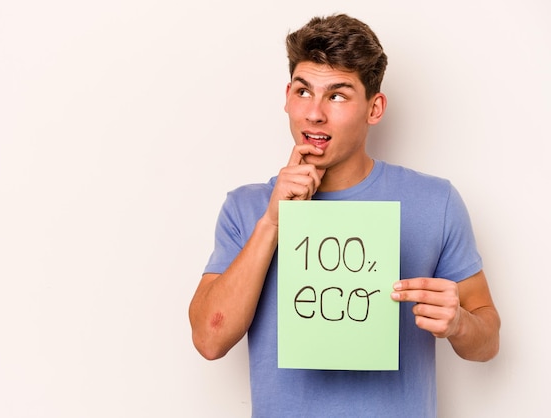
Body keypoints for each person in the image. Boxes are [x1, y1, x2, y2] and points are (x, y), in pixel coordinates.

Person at [188, 13, 500, 417]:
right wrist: (272, 223)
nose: (314, 113)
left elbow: (488, 342)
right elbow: (210, 340)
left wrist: (458, 323)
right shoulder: (246, 209)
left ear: (375, 108)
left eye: (337, 95)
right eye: (303, 91)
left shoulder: (434, 201)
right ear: (286, 96)